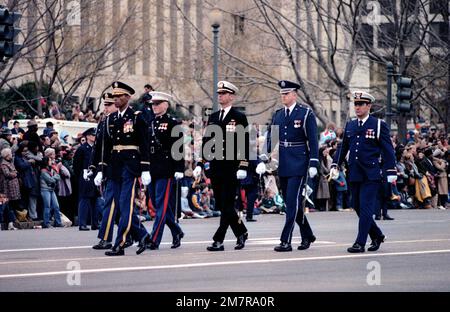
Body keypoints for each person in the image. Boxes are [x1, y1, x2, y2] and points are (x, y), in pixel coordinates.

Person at [331, 91, 397, 253]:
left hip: (371, 173)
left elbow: (388, 150)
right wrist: (335, 164)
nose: (357, 107)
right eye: (356, 104)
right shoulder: (351, 125)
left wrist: (390, 170)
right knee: (356, 205)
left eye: (361, 104)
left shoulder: (378, 124)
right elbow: (343, 147)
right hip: (354, 172)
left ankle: (360, 242)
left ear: (369, 106)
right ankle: (377, 235)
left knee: (366, 207)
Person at [258, 80, 318, 252]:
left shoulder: (305, 114)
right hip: (284, 162)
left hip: (299, 162)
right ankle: (307, 234)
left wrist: (313, 162)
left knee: (292, 203)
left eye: (286, 94)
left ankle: (286, 241)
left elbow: (313, 141)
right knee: (291, 203)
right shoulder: (279, 114)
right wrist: (264, 156)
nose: (283, 97)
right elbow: (272, 137)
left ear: (294, 94)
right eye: (282, 94)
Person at [93, 81, 151, 256]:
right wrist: (100, 169)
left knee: (125, 205)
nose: (116, 99)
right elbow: (106, 146)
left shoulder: (137, 116)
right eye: (114, 96)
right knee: (118, 206)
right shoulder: (112, 119)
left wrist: (145, 168)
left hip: (130, 166)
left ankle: (121, 243)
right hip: (115, 166)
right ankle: (143, 236)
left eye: (119, 96)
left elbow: (145, 143)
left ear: (128, 97)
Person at [193, 81, 250, 251]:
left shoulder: (239, 117)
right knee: (223, 205)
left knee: (226, 204)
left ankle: (219, 240)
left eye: (224, 93)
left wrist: (243, 166)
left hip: (232, 167)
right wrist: (200, 163)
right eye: (219, 93)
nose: (220, 96)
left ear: (231, 96)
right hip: (216, 167)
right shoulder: (214, 116)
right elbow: (207, 142)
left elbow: (244, 144)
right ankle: (241, 231)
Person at [140, 91, 185, 251]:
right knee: (159, 204)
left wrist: (179, 168)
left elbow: (178, 148)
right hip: (152, 169)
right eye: (153, 104)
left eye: (157, 104)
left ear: (165, 105)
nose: (154, 107)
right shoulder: (149, 122)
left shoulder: (172, 123)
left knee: (160, 206)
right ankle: (177, 231)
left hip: (166, 170)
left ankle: (154, 239)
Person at [91, 93, 121, 250]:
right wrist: (92, 167)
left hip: (118, 169)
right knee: (120, 207)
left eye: (109, 105)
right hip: (108, 168)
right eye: (105, 105)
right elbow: (98, 148)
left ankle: (106, 238)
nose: (105, 108)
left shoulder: (118, 121)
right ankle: (141, 234)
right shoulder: (104, 122)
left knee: (111, 204)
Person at [73, 127, 98, 231]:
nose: (95, 136)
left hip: (95, 176)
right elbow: (76, 165)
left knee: (95, 200)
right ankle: (82, 223)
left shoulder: (96, 147)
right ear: (87, 136)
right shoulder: (82, 149)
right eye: (92, 135)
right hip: (85, 176)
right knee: (84, 200)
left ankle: (95, 223)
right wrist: (81, 176)